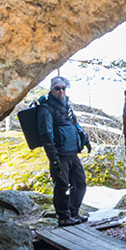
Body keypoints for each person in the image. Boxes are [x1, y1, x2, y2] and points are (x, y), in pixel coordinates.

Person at [38, 76, 92, 226]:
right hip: (60, 155)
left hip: (73, 153)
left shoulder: (66, 106)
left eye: (63, 88)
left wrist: (85, 140)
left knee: (80, 183)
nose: (61, 91)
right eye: (57, 88)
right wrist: (53, 157)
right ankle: (63, 217)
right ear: (51, 90)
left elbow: (76, 125)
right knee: (62, 186)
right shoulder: (46, 109)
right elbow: (46, 135)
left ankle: (73, 212)